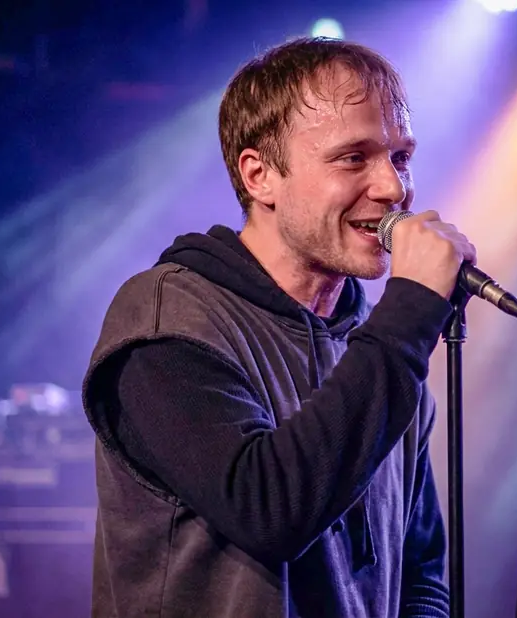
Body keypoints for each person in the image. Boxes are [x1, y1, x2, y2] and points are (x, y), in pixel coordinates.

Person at [82, 36, 476, 618]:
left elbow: (420, 575)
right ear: (259, 174)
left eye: (400, 157)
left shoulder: (384, 348)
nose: (394, 187)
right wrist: (411, 312)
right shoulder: (168, 317)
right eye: (352, 158)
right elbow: (266, 509)